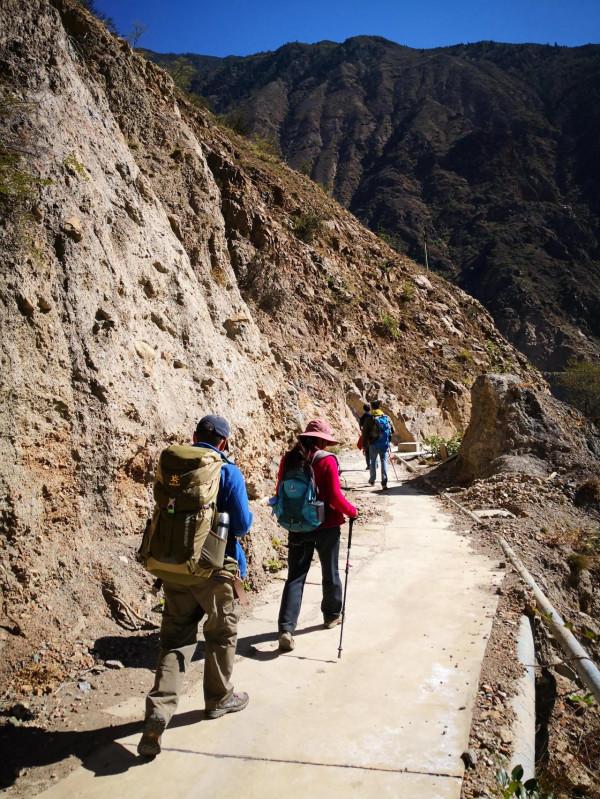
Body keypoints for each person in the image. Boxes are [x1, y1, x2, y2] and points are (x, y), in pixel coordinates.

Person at [138, 414, 253, 758]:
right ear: (223, 442)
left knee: (175, 642)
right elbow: (243, 525)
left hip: (175, 570)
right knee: (220, 635)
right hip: (215, 571)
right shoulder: (226, 472)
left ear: (194, 436)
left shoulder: (175, 471)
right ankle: (219, 698)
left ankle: (157, 716)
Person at [276, 419, 358, 652]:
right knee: (329, 571)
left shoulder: (288, 459)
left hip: (297, 524)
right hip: (326, 525)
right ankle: (331, 615)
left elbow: (280, 490)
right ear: (322, 440)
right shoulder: (326, 460)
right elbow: (333, 495)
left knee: (295, 576)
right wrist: (352, 511)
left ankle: (286, 628)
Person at [366, 400, 395, 490]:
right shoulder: (386, 417)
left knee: (373, 461)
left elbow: (365, 432)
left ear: (372, 407)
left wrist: (365, 444)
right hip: (384, 444)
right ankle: (384, 483)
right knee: (384, 462)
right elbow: (392, 431)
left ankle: (372, 480)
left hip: (373, 444)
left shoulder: (369, 417)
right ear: (379, 407)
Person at [358, 402, 371, 469]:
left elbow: (360, 427)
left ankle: (368, 465)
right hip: (372, 436)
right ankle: (375, 464)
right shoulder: (372, 416)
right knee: (373, 451)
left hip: (365, 436)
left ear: (364, 409)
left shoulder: (362, 417)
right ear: (370, 409)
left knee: (367, 452)